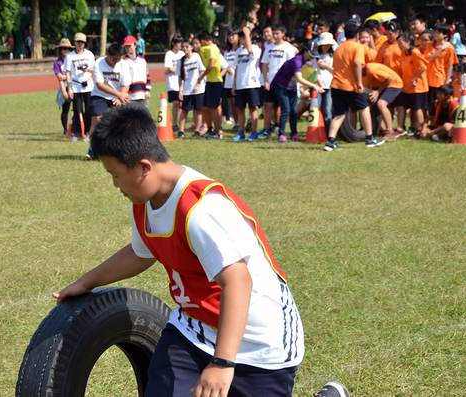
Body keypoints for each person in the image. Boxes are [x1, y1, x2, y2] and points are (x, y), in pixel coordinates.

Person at [53, 103, 350, 397]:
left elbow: (239, 281)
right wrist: (86, 282)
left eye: (115, 175)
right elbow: (141, 252)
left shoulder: (201, 209)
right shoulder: (145, 202)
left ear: (144, 167)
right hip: (193, 329)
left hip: (257, 339)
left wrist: (221, 362)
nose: (114, 184)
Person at [324, 23, 384, 151]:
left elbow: (336, 67)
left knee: (339, 114)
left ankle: (330, 142)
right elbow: (357, 64)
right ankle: (369, 139)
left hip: (335, 85)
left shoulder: (339, 47)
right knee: (365, 109)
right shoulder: (358, 47)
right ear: (357, 35)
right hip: (349, 86)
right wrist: (359, 82)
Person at [83, 42, 132, 159]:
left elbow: (126, 85)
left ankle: (118, 150)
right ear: (107, 54)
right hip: (100, 95)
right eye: (113, 59)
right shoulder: (99, 63)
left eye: (118, 60)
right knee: (97, 119)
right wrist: (118, 94)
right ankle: (93, 150)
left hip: (118, 96)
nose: (116, 62)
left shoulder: (123, 64)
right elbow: (100, 85)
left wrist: (121, 97)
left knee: (120, 122)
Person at [269, 41, 324, 143]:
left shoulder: (304, 61)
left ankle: (294, 134)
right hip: (282, 87)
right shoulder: (297, 60)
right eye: (311, 54)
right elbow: (299, 78)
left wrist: (302, 89)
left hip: (292, 88)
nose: (312, 57)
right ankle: (281, 135)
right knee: (285, 110)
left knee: (294, 111)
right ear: (306, 51)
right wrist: (313, 86)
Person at [261, 24, 297, 143]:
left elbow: (293, 65)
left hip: (284, 83)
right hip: (271, 82)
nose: (275, 36)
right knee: (268, 105)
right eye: (274, 33)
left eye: (278, 33)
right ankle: (267, 129)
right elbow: (265, 64)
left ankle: (284, 131)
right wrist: (266, 80)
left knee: (285, 108)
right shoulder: (269, 47)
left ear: (283, 34)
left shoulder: (289, 48)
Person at [231, 26, 262, 141]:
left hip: (251, 84)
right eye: (241, 38)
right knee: (240, 109)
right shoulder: (238, 51)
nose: (243, 40)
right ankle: (241, 132)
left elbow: (250, 52)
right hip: (240, 84)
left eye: (245, 38)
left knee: (253, 108)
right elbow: (237, 68)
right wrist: (234, 85)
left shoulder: (255, 48)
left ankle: (254, 132)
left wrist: (247, 33)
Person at [397, 31, 429, 137]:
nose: (399, 46)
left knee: (417, 108)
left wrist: (414, 78)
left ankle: (420, 129)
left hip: (417, 86)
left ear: (407, 42)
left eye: (401, 43)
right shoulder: (403, 53)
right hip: (406, 86)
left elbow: (423, 67)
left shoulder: (415, 52)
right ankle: (411, 127)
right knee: (408, 107)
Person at [65, 32, 95, 142]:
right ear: (74, 43)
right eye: (78, 42)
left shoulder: (89, 55)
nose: (80, 44)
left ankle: (88, 132)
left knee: (89, 109)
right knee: (77, 110)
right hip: (76, 85)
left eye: (82, 42)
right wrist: (69, 88)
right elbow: (67, 72)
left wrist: (86, 69)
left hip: (88, 85)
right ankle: (76, 132)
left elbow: (94, 69)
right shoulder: (70, 56)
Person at [425, 23, 458, 121]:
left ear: (445, 35)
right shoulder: (429, 45)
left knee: (437, 102)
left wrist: (447, 81)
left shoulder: (450, 48)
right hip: (427, 79)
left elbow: (450, 65)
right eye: (435, 32)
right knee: (428, 103)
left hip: (439, 79)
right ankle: (427, 122)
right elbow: (428, 59)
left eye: (438, 33)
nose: (435, 35)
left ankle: (435, 122)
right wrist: (439, 50)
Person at [362, 62, 403, 140]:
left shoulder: (372, 70)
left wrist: (378, 92)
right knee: (371, 106)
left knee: (381, 104)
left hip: (394, 83)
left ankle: (390, 132)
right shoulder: (363, 72)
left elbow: (389, 78)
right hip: (382, 86)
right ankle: (383, 130)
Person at [198, 30, 224, 139]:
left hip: (216, 82)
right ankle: (210, 129)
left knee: (213, 107)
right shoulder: (206, 49)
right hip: (210, 82)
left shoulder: (213, 48)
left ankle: (218, 132)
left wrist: (201, 76)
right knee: (205, 107)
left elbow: (211, 64)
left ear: (203, 41)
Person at [177, 40, 206, 137]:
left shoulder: (196, 57)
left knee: (198, 110)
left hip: (198, 89)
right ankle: (181, 131)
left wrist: (198, 84)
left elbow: (202, 71)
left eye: (187, 46)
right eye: (183, 47)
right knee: (185, 110)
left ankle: (197, 130)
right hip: (187, 90)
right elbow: (180, 77)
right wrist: (180, 90)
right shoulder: (181, 61)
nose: (184, 49)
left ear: (191, 48)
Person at [123, 35, 151, 107]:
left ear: (135, 45)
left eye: (130, 45)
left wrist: (147, 90)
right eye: (126, 46)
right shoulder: (123, 61)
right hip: (130, 95)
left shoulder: (142, 60)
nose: (128, 48)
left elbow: (147, 75)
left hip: (142, 93)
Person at [165, 35, 185, 133]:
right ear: (173, 44)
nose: (180, 47)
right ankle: (175, 123)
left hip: (182, 82)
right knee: (176, 102)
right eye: (178, 44)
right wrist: (178, 71)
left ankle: (179, 123)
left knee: (181, 104)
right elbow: (170, 68)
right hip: (172, 82)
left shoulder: (182, 54)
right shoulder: (169, 54)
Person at [54, 38, 73, 137]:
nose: (66, 51)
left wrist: (66, 76)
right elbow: (60, 78)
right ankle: (65, 129)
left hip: (75, 87)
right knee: (65, 109)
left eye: (68, 49)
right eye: (64, 49)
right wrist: (64, 91)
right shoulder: (57, 63)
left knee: (77, 109)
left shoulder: (73, 60)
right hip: (64, 88)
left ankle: (76, 128)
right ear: (60, 50)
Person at [223, 29, 240, 133]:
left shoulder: (240, 50)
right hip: (228, 80)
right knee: (232, 103)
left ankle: (241, 123)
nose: (231, 38)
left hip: (238, 80)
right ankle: (237, 123)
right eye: (229, 36)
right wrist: (226, 68)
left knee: (237, 102)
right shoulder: (227, 51)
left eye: (233, 35)